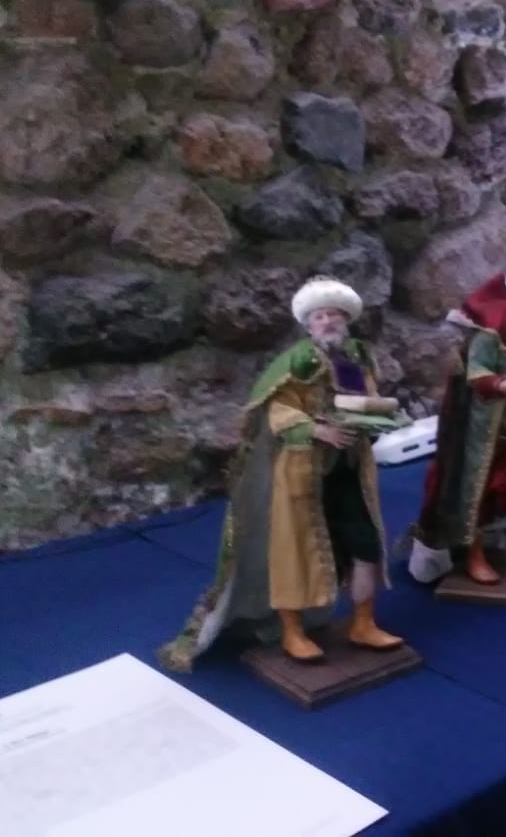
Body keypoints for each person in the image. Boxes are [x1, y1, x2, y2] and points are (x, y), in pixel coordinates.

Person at [159, 275, 403, 670]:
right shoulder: (297, 362)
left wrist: (378, 416)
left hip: (349, 469)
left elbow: (363, 401)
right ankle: (292, 631)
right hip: (303, 472)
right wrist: (317, 430)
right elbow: (278, 411)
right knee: (295, 550)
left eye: (335, 315)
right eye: (320, 316)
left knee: (365, 544)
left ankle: (363, 622)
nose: (329, 322)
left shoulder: (353, 358)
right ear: (308, 324)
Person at [406, 259, 506, 585]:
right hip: (492, 428)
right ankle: (475, 555)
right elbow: (476, 372)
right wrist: (500, 384)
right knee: (483, 490)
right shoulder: (493, 329)